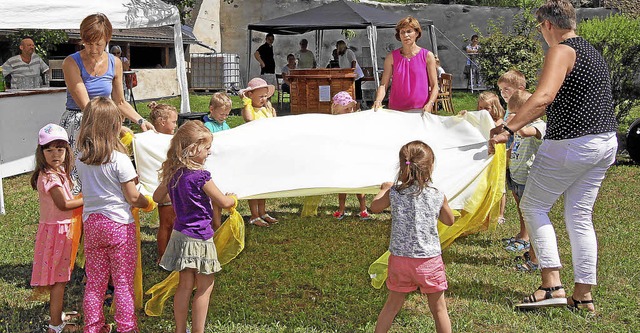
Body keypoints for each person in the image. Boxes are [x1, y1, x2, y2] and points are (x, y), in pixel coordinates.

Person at [489, 0, 618, 312]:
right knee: (580, 216)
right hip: (605, 141)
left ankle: (551, 286)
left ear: (547, 25)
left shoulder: (560, 50)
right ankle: (583, 295)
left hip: (572, 143)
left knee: (533, 206)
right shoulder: (591, 51)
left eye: (539, 28)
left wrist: (507, 126)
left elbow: (543, 97)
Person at [76, 97, 153, 333]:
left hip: (92, 223)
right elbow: (131, 197)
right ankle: (126, 328)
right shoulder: (120, 160)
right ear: (113, 126)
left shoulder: (80, 158)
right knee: (122, 283)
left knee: (95, 282)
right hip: (119, 225)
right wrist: (146, 202)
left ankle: (93, 327)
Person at [153, 121, 236, 333]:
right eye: (207, 148)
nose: (209, 153)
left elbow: (156, 197)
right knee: (205, 287)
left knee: (184, 286)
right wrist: (231, 197)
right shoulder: (201, 176)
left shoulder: (173, 173)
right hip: (200, 238)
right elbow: (224, 203)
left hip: (180, 235)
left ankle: (180, 330)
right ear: (194, 147)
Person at [60, 13, 153, 194]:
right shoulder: (71, 62)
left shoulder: (115, 62)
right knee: (78, 182)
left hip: (104, 123)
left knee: (106, 179)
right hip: (81, 122)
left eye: (99, 44)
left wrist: (141, 121)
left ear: (108, 39)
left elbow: (119, 102)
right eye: (88, 43)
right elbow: (87, 107)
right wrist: (115, 128)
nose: (93, 49)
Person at [370, 140, 455, 333]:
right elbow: (449, 220)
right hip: (429, 262)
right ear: (430, 167)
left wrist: (384, 189)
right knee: (439, 309)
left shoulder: (394, 192)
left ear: (403, 166)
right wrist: (444, 203)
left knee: (391, 306)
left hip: (400, 261)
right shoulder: (437, 194)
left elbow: (374, 207)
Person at [29, 124, 83, 333]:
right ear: (41, 153)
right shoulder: (50, 177)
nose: (55, 154)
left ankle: (56, 315)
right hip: (58, 233)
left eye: (60, 149)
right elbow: (63, 204)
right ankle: (55, 324)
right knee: (59, 280)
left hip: (57, 231)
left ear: (67, 151)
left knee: (59, 278)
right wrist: (88, 199)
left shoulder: (57, 172)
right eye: (49, 150)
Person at [504, 90, 546, 273]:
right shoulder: (521, 124)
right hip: (517, 176)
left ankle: (535, 259)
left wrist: (515, 120)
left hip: (530, 179)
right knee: (525, 215)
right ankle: (531, 251)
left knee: (533, 219)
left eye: (515, 112)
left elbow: (523, 131)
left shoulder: (539, 125)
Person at [373, 16, 438, 114]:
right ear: (399, 35)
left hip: (420, 109)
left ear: (416, 33)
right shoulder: (391, 57)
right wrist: (378, 101)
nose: (405, 35)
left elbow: (434, 86)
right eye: (402, 32)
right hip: (396, 110)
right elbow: (383, 85)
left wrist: (430, 103)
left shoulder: (428, 56)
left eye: (409, 31)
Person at [240, 77, 278, 227]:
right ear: (250, 96)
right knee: (254, 183)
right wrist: (247, 103)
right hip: (253, 151)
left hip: (266, 150)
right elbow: (249, 120)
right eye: (260, 96)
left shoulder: (268, 109)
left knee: (263, 182)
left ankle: (262, 211)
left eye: (265, 96)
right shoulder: (249, 110)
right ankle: (254, 215)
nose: (263, 99)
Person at [330, 91, 371, 221]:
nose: (349, 111)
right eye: (346, 109)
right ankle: (341, 208)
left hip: (355, 157)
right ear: (337, 109)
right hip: (342, 158)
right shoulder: (334, 123)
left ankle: (363, 209)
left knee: (360, 185)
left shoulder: (356, 121)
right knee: (342, 185)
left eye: (350, 108)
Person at [148, 101, 179, 262]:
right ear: (162, 122)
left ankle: (170, 253)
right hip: (163, 188)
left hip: (171, 187)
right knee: (166, 224)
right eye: (173, 121)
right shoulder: (150, 140)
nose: (176, 125)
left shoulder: (172, 139)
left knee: (172, 223)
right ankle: (162, 256)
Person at [203, 92, 233, 230]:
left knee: (220, 194)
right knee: (213, 198)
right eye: (222, 114)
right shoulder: (208, 126)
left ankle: (217, 222)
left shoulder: (225, 125)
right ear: (211, 109)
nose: (224, 117)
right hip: (212, 166)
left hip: (223, 165)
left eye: (227, 114)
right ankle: (215, 224)